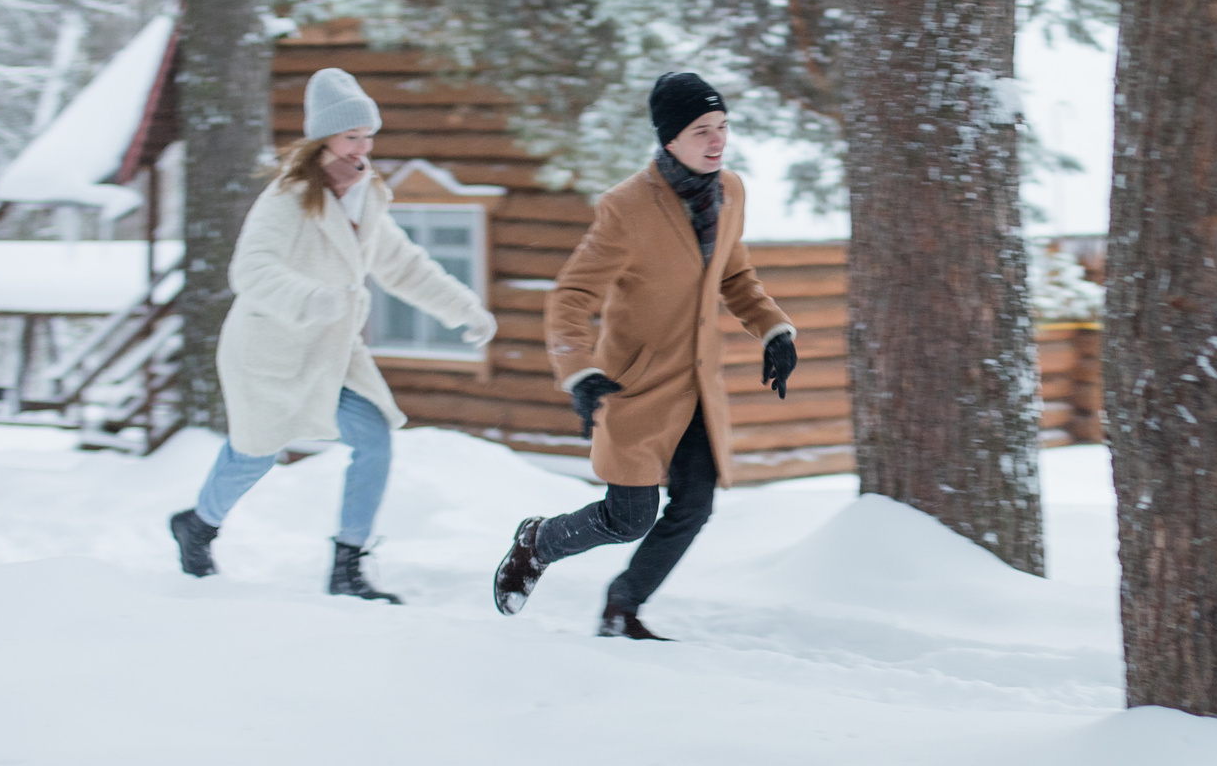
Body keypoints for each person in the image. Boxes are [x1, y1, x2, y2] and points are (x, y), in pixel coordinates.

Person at [167, 67, 497, 602]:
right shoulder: (287, 198)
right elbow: (249, 270)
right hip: (269, 348)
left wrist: (464, 308)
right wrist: (308, 297)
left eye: (368, 136)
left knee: (374, 438)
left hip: (333, 351)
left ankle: (348, 567)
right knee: (253, 454)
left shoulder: (367, 198)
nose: (362, 148)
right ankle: (198, 527)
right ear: (324, 139)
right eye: (351, 137)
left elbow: (404, 267)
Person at [491, 71, 797, 639]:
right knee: (627, 519)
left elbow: (735, 275)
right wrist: (579, 371)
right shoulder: (627, 209)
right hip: (637, 386)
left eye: (723, 127)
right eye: (702, 129)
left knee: (693, 506)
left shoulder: (730, 192)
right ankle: (537, 542)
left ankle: (622, 607)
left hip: (699, 389)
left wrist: (773, 329)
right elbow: (572, 297)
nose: (717, 140)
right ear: (669, 138)